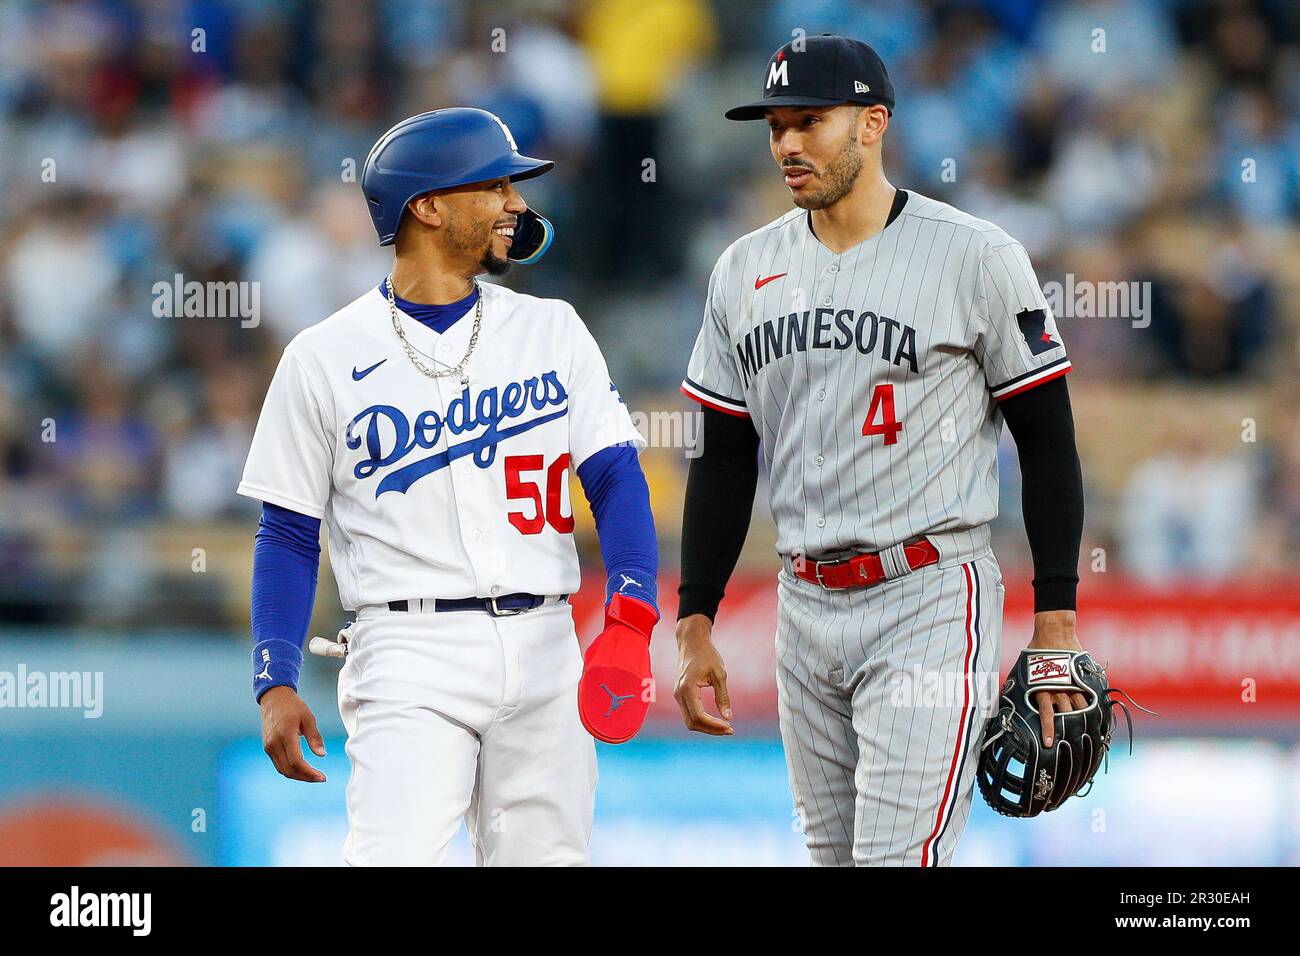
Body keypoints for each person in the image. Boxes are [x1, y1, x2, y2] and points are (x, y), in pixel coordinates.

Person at [674, 36, 1088, 866]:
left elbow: (1048, 443)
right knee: (833, 858)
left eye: (809, 122)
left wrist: (1056, 623)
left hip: (929, 592)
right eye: (776, 126)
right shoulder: (742, 270)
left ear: (873, 124)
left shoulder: (974, 255)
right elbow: (723, 456)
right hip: (804, 600)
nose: (787, 144)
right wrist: (695, 619)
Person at [238, 108, 658, 866]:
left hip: (544, 641)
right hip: (407, 648)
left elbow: (617, 479)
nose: (516, 206)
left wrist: (630, 619)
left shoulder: (553, 329)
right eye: (495, 184)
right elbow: (289, 531)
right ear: (428, 207)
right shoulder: (322, 357)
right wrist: (275, 676)